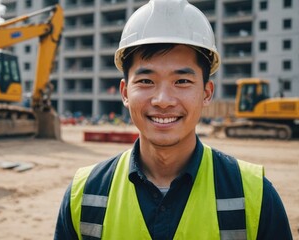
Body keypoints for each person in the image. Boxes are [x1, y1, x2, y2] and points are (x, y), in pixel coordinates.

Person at [54, 0, 292, 239]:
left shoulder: (255, 195)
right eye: (146, 81)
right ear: (125, 93)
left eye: (182, 81)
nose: (163, 100)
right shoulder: (84, 194)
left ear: (207, 93)